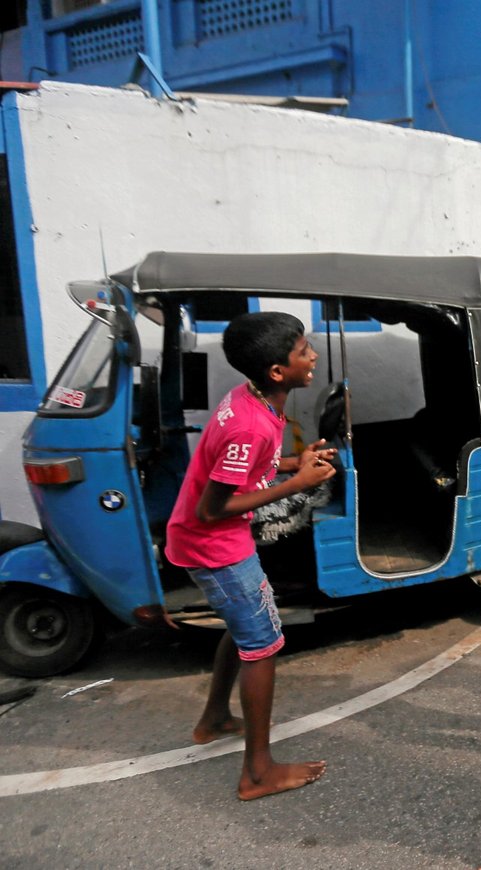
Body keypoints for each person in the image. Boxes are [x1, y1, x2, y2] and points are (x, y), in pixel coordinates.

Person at [166, 311, 337, 800]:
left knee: (245, 630)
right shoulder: (249, 424)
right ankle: (257, 773)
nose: (313, 356)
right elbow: (214, 506)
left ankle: (215, 718)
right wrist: (299, 484)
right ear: (278, 371)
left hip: (212, 542)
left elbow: (249, 467)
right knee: (262, 645)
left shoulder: (252, 399)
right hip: (215, 547)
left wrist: (292, 463)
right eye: (304, 350)